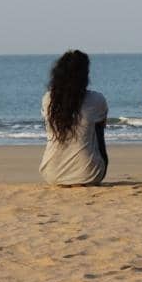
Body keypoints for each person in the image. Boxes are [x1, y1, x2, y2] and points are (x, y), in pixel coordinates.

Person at [39, 50, 109, 186]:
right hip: (89, 173)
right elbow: (100, 138)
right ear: (85, 75)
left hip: (51, 173)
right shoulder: (97, 99)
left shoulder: (48, 99)